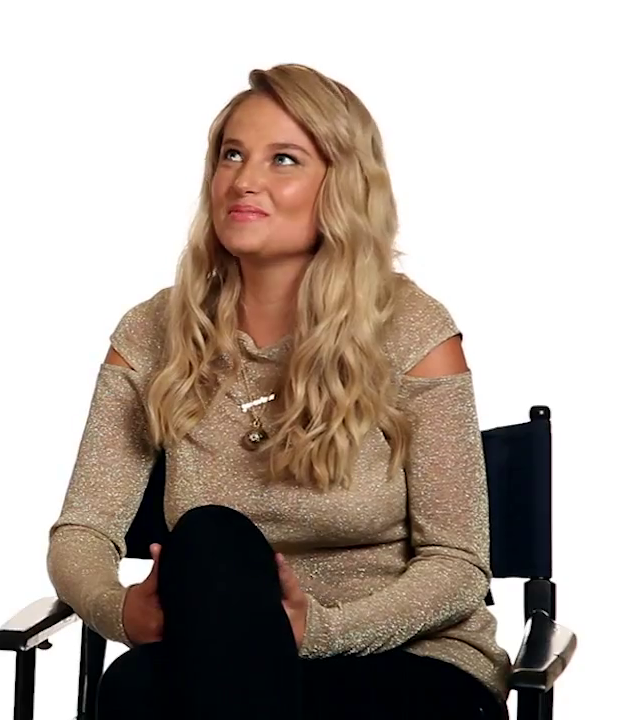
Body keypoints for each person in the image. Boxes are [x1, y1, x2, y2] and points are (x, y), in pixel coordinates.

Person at [46, 64, 511, 719]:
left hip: (403, 659)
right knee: (206, 540)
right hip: (213, 651)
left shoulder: (411, 330)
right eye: (232, 155)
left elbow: (457, 563)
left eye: (283, 159)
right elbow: (83, 531)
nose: (244, 180)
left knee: (143, 695)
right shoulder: (151, 333)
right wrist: (116, 607)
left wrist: (318, 630)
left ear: (342, 186)